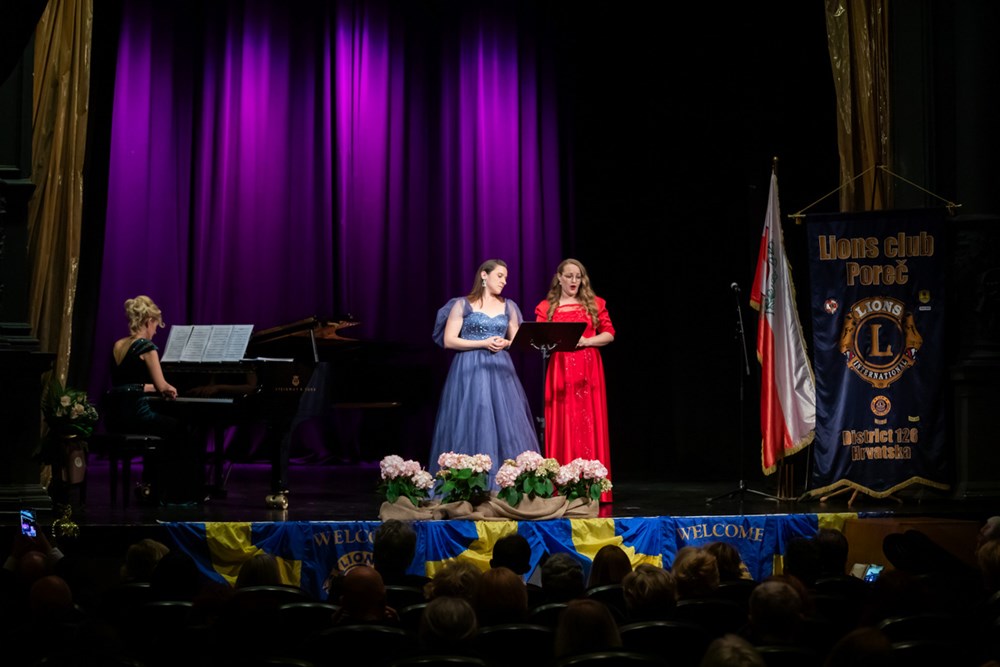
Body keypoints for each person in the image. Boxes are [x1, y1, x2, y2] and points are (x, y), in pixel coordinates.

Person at [429, 259, 539, 490]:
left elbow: (518, 340)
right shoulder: (462, 304)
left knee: (505, 423)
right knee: (473, 417)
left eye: (506, 277)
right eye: (500, 276)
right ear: (484, 275)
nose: (504, 281)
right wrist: (482, 343)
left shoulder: (508, 306)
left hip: (500, 369)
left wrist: (505, 342)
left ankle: (505, 483)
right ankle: (468, 483)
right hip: (469, 369)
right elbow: (449, 340)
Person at [534, 258, 615, 502]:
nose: (574, 281)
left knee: (589, 421)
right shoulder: (546, 307)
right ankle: (563, 485)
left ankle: (593, 484)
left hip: (589, 367)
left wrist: (588, 341)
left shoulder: (595, 303)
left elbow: (609, 334)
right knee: (563, 420)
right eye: (569, 276)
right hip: (560, 369)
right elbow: (539, 337)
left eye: (578, 277)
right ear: (559, 278)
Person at [107, 295, 199, 504]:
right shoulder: (147, 347)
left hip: (116, 417)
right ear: (149, 321)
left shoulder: (118, 345)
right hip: (138, 416)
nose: (156, 331)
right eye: (156, 326)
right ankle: (177, 494)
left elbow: (125, 383)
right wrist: (171, 389)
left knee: (169, 429)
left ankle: (151, 484)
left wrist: (147, 387)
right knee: (181, 431)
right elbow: (162, 386)